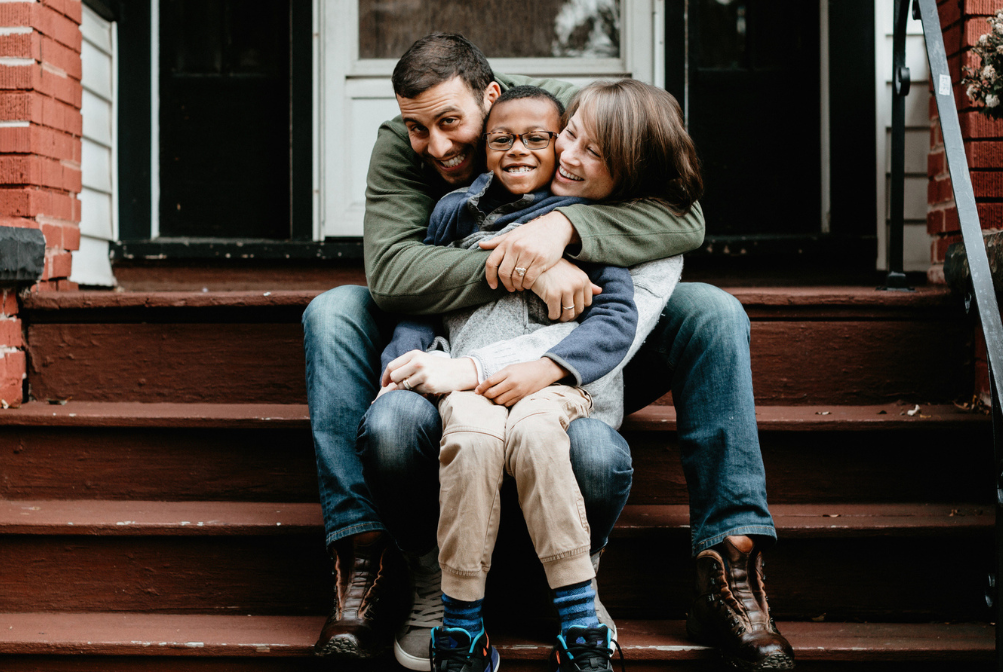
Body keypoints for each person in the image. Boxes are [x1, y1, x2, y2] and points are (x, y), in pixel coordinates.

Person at [303, 32, 795, 672]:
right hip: (452, 334)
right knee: (334, 311)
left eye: (452, 123)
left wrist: (565, 227)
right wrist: (528, 264)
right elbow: (394, 275)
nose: (439, 146)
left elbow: (684, 219)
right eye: (420, 129)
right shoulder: (404, 145)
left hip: (576, 341)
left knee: (713, 311)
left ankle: (727, 563)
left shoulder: (567, 118)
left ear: (493, 97)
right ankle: (366, 555)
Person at [378, 83, 688, 672]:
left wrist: (560, 250)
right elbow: (420, 300)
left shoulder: (591, 219)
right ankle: (462, 624)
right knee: (467, 444)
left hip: (555, 391)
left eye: (543, 140)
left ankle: (578, 615)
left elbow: (616, 317)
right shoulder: (458, 210)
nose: (536, 151)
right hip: (468, 389)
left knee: (542, 440)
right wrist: (405, 359)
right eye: (502, 139)